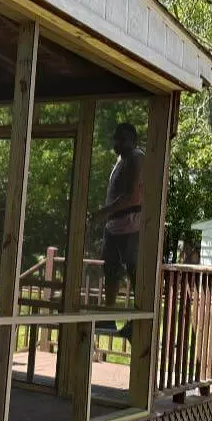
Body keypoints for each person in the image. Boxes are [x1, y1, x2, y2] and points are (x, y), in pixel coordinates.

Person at [89, 123, 143, 337]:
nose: (118, 143)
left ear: (133, 141)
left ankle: (137, 320)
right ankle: (109, 317)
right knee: (110, 270)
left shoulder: (137, 157)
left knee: (134, 272)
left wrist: (102, 212)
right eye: (116, 138)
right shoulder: (121, 160)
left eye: (123, 139)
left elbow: (131, 195)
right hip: (113, 225)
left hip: (130, 223)